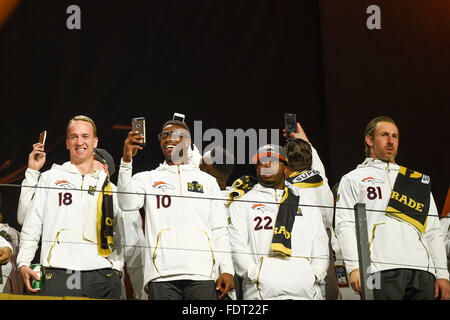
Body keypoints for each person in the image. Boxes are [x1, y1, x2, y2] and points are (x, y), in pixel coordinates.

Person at [117, 119, 234, 300]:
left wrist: (227, 270)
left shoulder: (208, 182)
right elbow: (125, 203)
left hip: (201, 273)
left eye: (175, 135)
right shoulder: (147, 179)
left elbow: (220, 230)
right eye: (164, 135)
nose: (168, 139)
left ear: (188, 142)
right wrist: (126, 161)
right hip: (160, 274)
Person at [334, 115, 450, 300]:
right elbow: (345, 225)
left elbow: (434, 231)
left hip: (423, 272)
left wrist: (443, 274)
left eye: (395, 136)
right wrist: (354, 267)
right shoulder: (353, 179)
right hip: (380, 269)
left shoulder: (416, 181)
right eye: (384, 135)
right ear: (369, 140)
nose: (390, 141)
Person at [16, 115, 122, 299]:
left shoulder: (111, 189)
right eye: (74, 137)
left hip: (102, 275)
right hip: (57, 272)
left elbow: (122, 234)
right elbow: (32, 225)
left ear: (95, 141)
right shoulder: (50, 178)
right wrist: (23, 262)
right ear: (67, 143)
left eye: (85, 136)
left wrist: (117, 269)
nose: (79, 142)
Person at [227, 144, 329, 300]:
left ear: (286, 168)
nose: (267, 164)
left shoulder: (307, 204)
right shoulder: (242, 204)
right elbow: (237, 247)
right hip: (261, 294)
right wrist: (256, 274)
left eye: (274, 160)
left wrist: (313, 276)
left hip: (307, 293)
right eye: (262, 161)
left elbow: (321, 248)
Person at [283, 122, 338, 300]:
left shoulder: (284, 190)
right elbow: (316, 163)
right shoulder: (321, 179)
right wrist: (305, 141)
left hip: (299, 246)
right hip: (326, 246)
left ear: (286, 166)